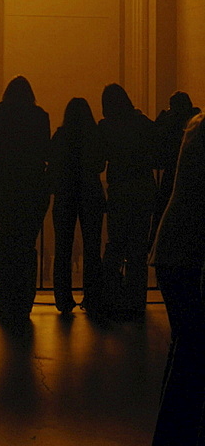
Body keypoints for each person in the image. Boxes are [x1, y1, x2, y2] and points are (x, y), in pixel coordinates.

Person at [151, 109, 205, 445]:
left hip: (175, 251)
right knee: (192, 353)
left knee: (187, 349)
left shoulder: (197, 128)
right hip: (188, 256)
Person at [0, 75, 50, 325]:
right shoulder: (39, 116)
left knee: (4, 244)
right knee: (26, 246)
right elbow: (44, 148)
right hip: (31, 184)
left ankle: (5, 300)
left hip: (0, 183)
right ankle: (24, 302)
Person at [97, 82, 156, 320]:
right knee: (138, 249)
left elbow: (100, 160)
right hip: (142, 189)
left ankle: (110, 297)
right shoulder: (142, 124)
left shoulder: (106, 127)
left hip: (120, 190)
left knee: (116, 244)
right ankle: (136, 300)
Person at [48, 97, 106, 315]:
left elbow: (52, 160)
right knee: (92, 247)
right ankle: (93, 297)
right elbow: (100, 164)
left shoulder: (61, 136)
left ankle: (63, 299)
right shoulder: (94, 135)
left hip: (65, 192)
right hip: (90, 191)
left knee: (62, 247)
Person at [149, 91, 199, 249]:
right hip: (194, 177)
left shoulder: (170, 123)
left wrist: (163, 118)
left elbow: (155, 144)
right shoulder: (195, 123)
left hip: (172, 174)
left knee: (165, 212)